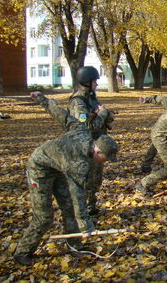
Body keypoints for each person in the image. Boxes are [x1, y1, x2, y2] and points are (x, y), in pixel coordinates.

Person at [13, 92, 118, 266]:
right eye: (105, 159)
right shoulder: (79, 163)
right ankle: (22, 252)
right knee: (44, 216)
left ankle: (75, 245)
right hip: (39, 168)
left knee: (68, 208)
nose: (104, 163)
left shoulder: (82, 130)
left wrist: (43, 100)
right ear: (98, 151)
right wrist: (86, 225)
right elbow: (78, 194)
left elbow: (62, 115)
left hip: (58, 168)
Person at [69, 66, 115, 215]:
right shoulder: (78, 102)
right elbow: (86, 127)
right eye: (94, 81)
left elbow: (103, 116)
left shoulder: (91, 97)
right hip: (85, 147)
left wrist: (106, 114)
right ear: (86, 81)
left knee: (96, 180)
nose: (96, 84)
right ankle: (84, 211)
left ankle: (91, 207)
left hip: (96, 145)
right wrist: (101, 114)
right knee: (86, 180)